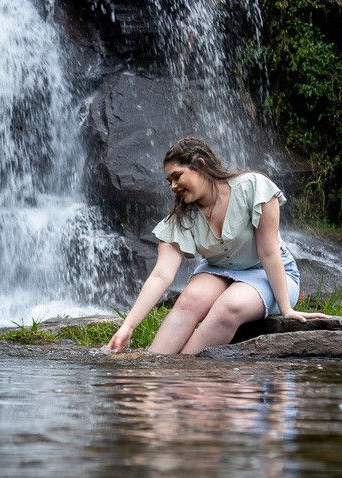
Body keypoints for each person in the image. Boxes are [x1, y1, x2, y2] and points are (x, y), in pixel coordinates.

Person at [107, 137, 329, 354]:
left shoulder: (253, 187)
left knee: (228, 307)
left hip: (267, 271)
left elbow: (268, 252)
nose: (173, 186)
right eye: (169, 182)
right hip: (218, 271)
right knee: (187, 302)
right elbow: (161, 275)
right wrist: (128, 326)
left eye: (177, 177)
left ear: (200, 164)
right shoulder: (181, 218)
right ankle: (153, 374)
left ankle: (184, 373)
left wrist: (286, 309)